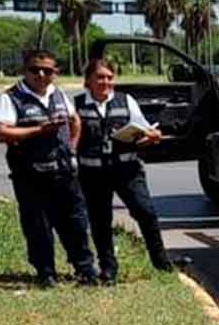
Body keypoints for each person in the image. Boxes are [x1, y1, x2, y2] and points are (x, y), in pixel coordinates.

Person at [74, 58, 189, 282]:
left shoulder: (126, 101)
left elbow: (144, 134)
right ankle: (108, 268)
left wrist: (152, 137)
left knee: (145, 212)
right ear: (88, 80)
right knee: (99, 220)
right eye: (99, 77)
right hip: (93, 174)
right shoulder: (77, 104)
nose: (105, 81)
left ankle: (161, 262)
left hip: (126, 169)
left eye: (109, 77)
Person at [0, 48, 96, 286]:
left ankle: (85, 269)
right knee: (39, 226)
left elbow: (74, 120)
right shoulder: (11, 97)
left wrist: (72, 147)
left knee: (76, 222)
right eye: (34, 70)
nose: (40, 74)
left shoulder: (58, 93)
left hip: (64, 172)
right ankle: (46, 272)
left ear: (55, 72)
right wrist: (38, 130)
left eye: (47, 70)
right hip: (31, 175)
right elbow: (0, 132)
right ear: (24, 71)